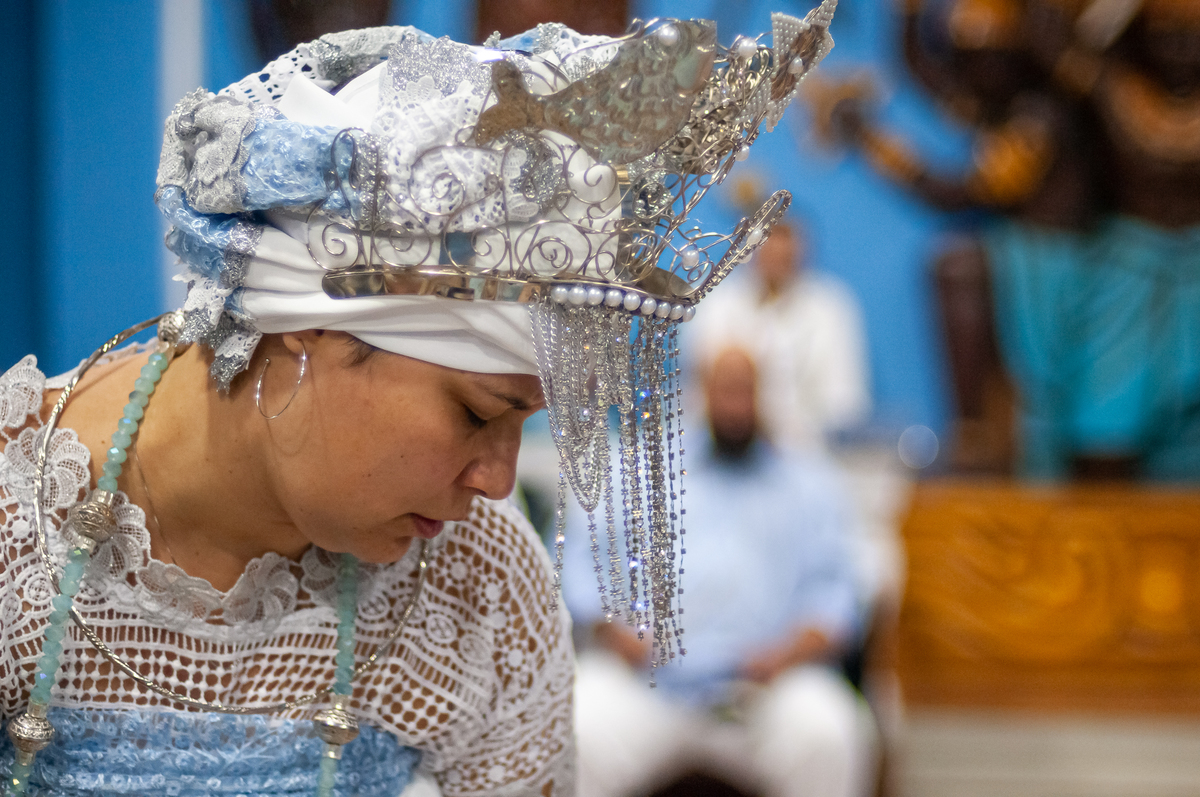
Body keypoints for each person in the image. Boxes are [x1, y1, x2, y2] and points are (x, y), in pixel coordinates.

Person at [0, 7, 839, 796]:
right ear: (309, 326)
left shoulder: (477, 579)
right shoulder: (18, 520)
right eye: (478, 412)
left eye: (523, 424)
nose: (499, 481)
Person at [564, 347, 877, 797]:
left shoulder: (809, 484)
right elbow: (584, 567)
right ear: (700, 391)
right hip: (651, 683)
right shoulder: (638, 468)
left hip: (765, 689)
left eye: (745, 390)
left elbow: (838, 594)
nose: (736, 404)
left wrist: (788, 653)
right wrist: (616, 632)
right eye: (725, 390)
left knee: (827, 731)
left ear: (764, 394)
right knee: (581, 722)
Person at [687, 222, 872, 454]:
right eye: (768, 252)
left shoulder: (832, 307)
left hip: (810, 450)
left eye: (784, 256)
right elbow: (697, 389)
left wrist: (796, 434)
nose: (775, 262)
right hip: (726, 447)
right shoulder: (715, 302)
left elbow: (846, 400)